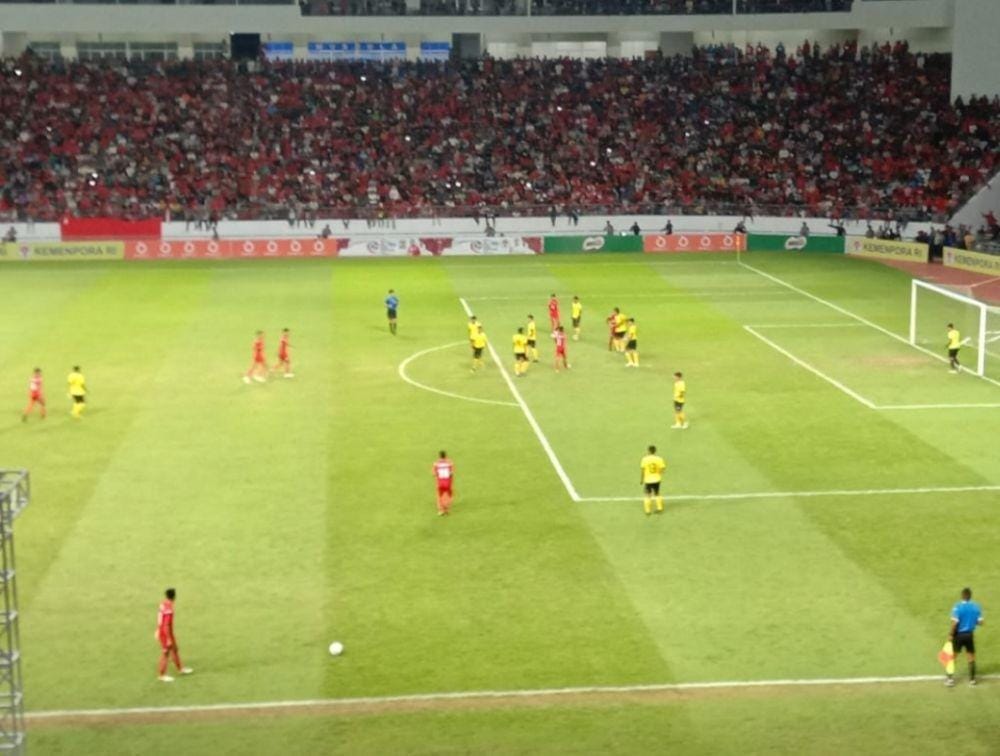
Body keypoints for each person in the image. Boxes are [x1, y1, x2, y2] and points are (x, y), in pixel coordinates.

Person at [947, 587, 984, 687]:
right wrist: (971, 621)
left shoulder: (957, 607)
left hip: (958, 635)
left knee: (953, 657)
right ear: (970, 596)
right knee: (971, 657)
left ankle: (950, 680)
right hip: (969, 635)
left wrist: (951, 634)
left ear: (962, 596)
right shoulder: (976, 607)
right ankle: (972, 680)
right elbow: (980, 622)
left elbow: (955, 623)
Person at [156, 588, 193, 682]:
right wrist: (168, 638)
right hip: (166, 633)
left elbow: (160, 618)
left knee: (175, 649)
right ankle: (162, 675)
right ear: (174, 597)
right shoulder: (169, 609)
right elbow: (166, 625)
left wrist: (158, 629)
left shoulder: (163, 604)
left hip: (165, 631)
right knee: (166, 653)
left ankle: (180, 669)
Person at [640, 445, 666, 516]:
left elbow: (642, 470)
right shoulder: (659, 459)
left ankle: (648, 511)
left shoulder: (644, 459)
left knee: (647, 495)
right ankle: (660, 508)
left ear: (648, 451)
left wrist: (641, 479)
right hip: (657, 479)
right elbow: (663, 469)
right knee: (657, 493)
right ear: (655, 451)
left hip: (648, 480)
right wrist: (659, 473)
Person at [432, 451, 455, 516]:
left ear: (439, 456)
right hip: (448, 483)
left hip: (440, 483)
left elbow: (434, 474)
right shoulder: (450, 463)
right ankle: (446, 509)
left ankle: (441, 510)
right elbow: (452, 473)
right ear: (446, 456)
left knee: (440, 496)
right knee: (449, 495)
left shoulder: (436, 463)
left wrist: (437, 474)